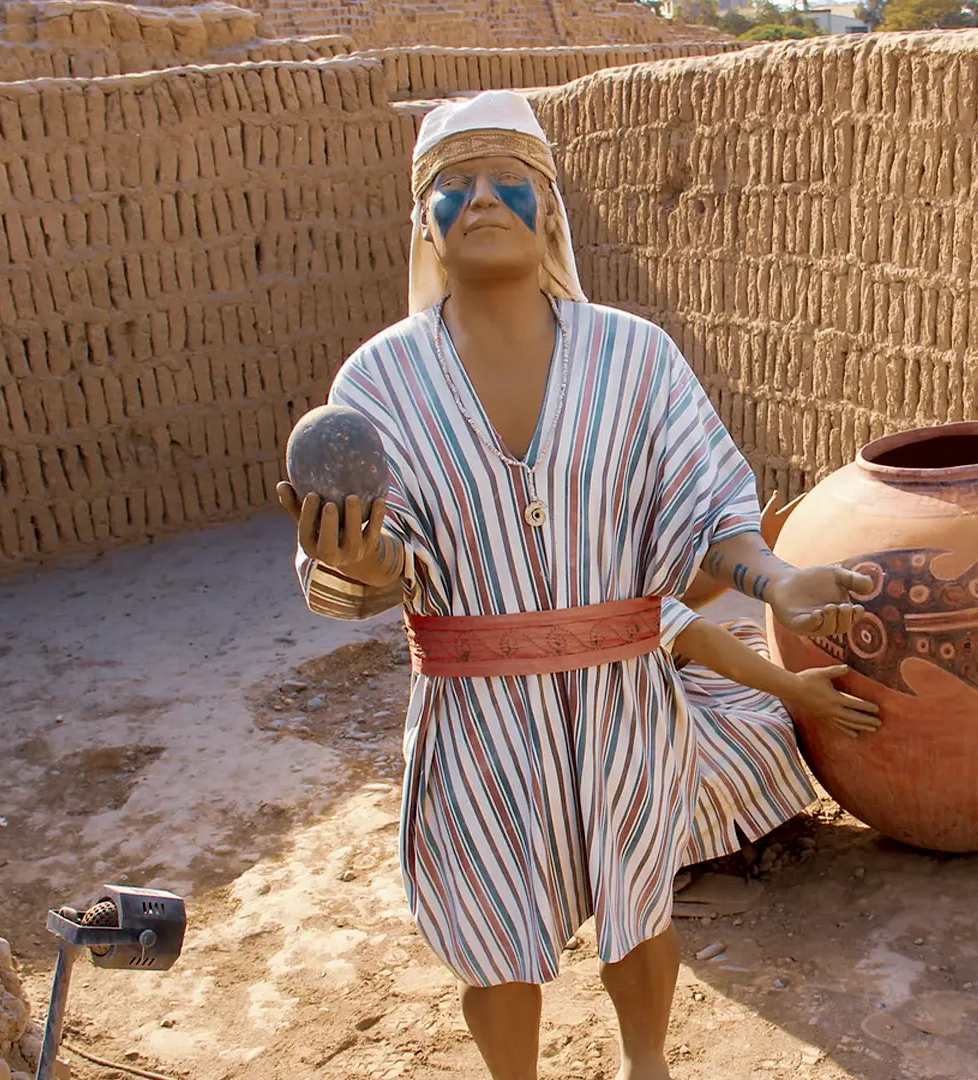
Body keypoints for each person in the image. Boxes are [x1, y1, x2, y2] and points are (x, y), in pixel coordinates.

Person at [277, 90, 870, 1080]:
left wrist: (779, 582)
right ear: (422, 217)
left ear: (549, 204)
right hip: (474, 711)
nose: (481, 198)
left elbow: (708, 511)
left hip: (626, 697)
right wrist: (364, 565)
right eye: (451, 183)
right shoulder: (377, 384)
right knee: (493, 933)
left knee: (638, 914)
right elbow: (366, 569)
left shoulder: (635, 357)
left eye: (506, 177)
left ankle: (649, 1068)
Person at [667, 493, 879, 870]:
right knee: (736, 754)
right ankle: (677, 864)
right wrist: (796, 689)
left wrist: (756, 559)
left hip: (658, 669)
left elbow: (672, 600)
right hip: (600, 717)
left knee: (758, 671)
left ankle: (743, 831)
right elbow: (684, 632)